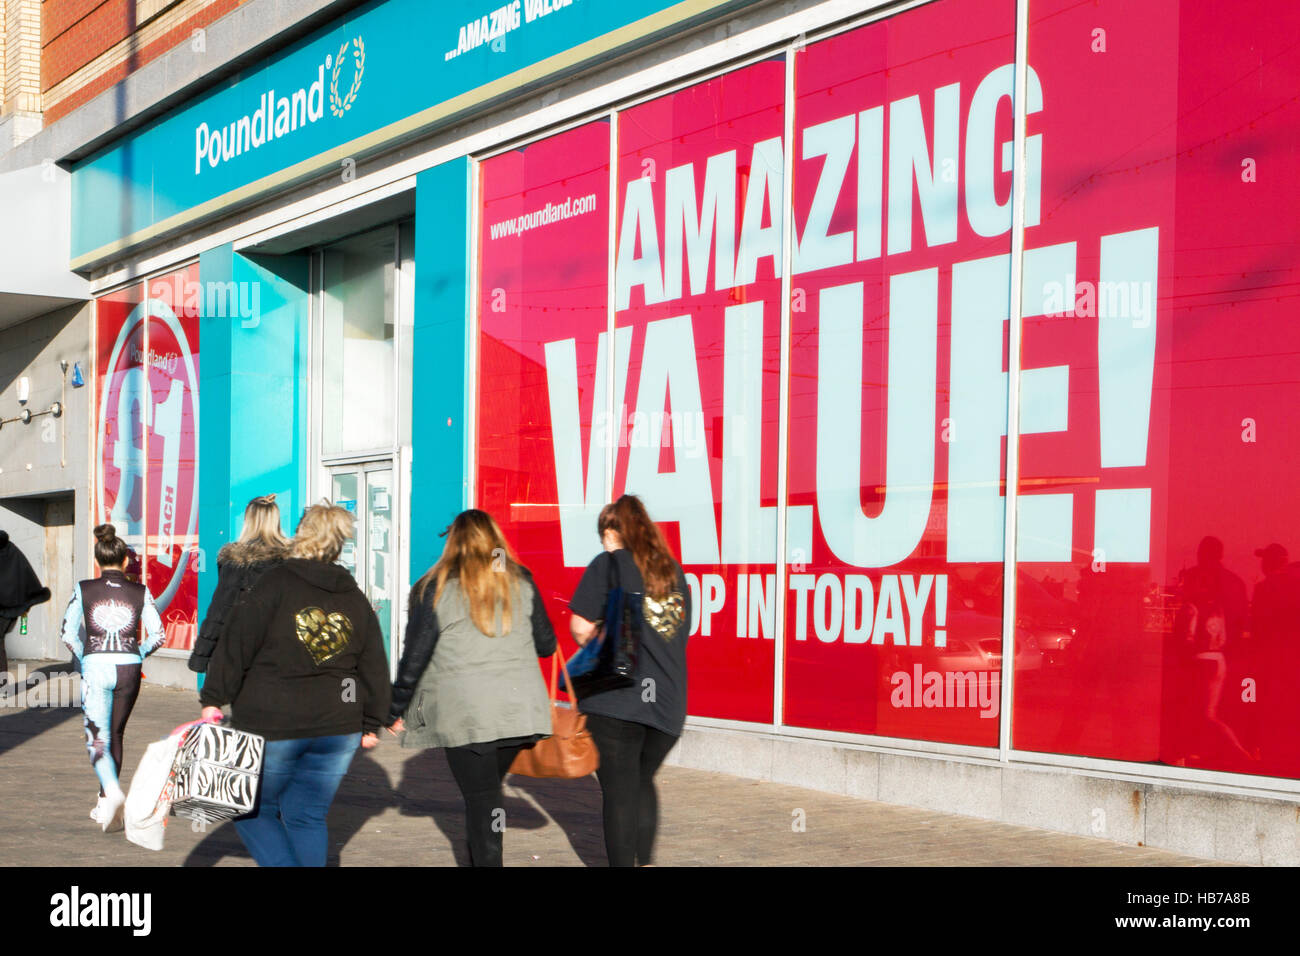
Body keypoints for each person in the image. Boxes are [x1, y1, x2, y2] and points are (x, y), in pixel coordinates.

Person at [199, 502, 391, 867]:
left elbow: (236, 643)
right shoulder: (352, 596)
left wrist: (214, 697)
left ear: (300, 535)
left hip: (274, 722)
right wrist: (372, 721)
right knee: (307, 816)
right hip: (338, 727)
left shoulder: (272, 584)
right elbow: (373, 663)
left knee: (252, 809)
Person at [387, 509, 556, 867]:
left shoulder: (434, 588)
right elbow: (546, 644)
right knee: (487, 796)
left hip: (468, 717)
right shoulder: (520, 581)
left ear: (454, 542)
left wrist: (391, 708)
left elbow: (414, 657)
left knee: (482, 799)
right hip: (517, 714)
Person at [568, 494, 690, 867]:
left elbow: (580, 627)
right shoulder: (673, 572)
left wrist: (598, 636)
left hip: (616, 703)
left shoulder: (608, 564)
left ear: (612, 531)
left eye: (603, 533)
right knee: (641, 782)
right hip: (668, 706)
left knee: (620, 793)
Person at [60, 524, 167, 831]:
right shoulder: (141, 592)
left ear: (98, 560)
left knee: (97, 736)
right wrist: (139, 652)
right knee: (117, 733)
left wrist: (86, 657)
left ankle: (111, 796)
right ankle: (106, 799)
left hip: (97, 666)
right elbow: (159, 635)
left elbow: (67, 633)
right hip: (129, 667)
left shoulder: (84, 589)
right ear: (124, 561)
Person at [189, 494, 289, 679]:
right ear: (276, 521)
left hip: (245, 656)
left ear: (248, 521)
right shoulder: (293, 562)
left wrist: (201, 656)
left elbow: (219, 611)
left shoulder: (237, 561)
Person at [0, 529, 51, 682]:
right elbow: (24, 574)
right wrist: (24, 604)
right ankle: (1, 685)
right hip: (10, 610)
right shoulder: (12, 550)